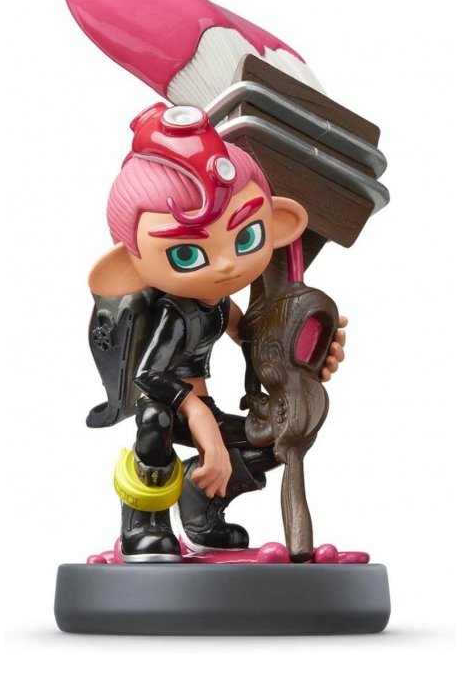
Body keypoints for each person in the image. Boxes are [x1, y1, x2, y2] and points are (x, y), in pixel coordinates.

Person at [87, 103, 345, 561]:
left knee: (270, 437)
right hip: (170, 406)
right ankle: (143, 522)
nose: (226, 265)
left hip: (201, 408)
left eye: (245, 238)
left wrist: (306, 345)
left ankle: (201, 505)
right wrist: (197, 415)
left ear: (278, 223)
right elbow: (148, 375)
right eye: (187, 254)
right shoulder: (175, 313)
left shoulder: (220, 304)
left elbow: (254, 337)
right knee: (155, 423)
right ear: (129, 267)